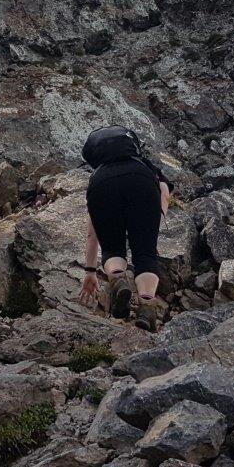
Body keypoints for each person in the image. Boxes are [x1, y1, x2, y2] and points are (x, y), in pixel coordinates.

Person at [77, 129, 173, 331]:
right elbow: (165, 192)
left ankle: (119, 280)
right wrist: (157, 216)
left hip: (103, 187)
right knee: (145, 255)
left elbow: (92, 231)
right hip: (142, 182)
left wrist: (90, 270)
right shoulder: (146, 165)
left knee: (113, 248)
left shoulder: (97, 175)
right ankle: (146, 307)